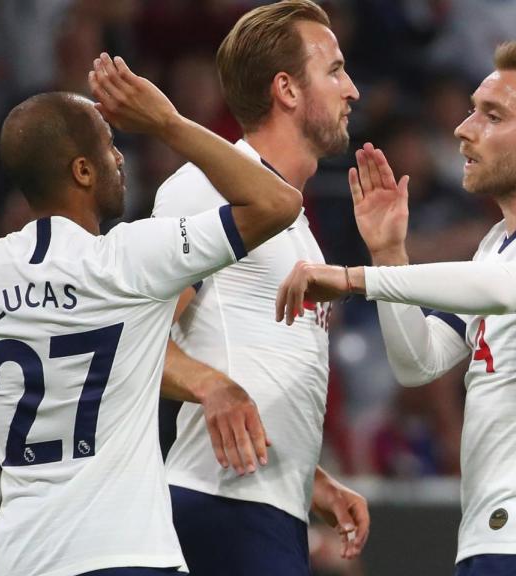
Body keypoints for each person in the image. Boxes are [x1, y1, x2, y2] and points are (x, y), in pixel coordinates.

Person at [0, 53, 302, 576]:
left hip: (25, 560)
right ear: (82, 170)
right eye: (109, 145)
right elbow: (278, 203)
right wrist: (166, 121)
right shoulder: (134, 258)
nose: (120, 159)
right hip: (130, 554)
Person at [277, 42, 516, 575]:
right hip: (494, 541)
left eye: (492, 115)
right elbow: (418, 364)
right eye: (471, 110)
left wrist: (355, 279)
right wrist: (390, 256)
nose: (463, 129)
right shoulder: (496, 245)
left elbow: (510, 290)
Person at [152, 2, 369, 574]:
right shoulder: (206, 187)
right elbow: (133, 339)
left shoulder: (296, 223)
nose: (353, 90)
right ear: (286, 90)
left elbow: (252, 354)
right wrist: (210, 386)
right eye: (335, 71)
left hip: (270, 508)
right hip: (219, 505)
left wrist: (307, 476)